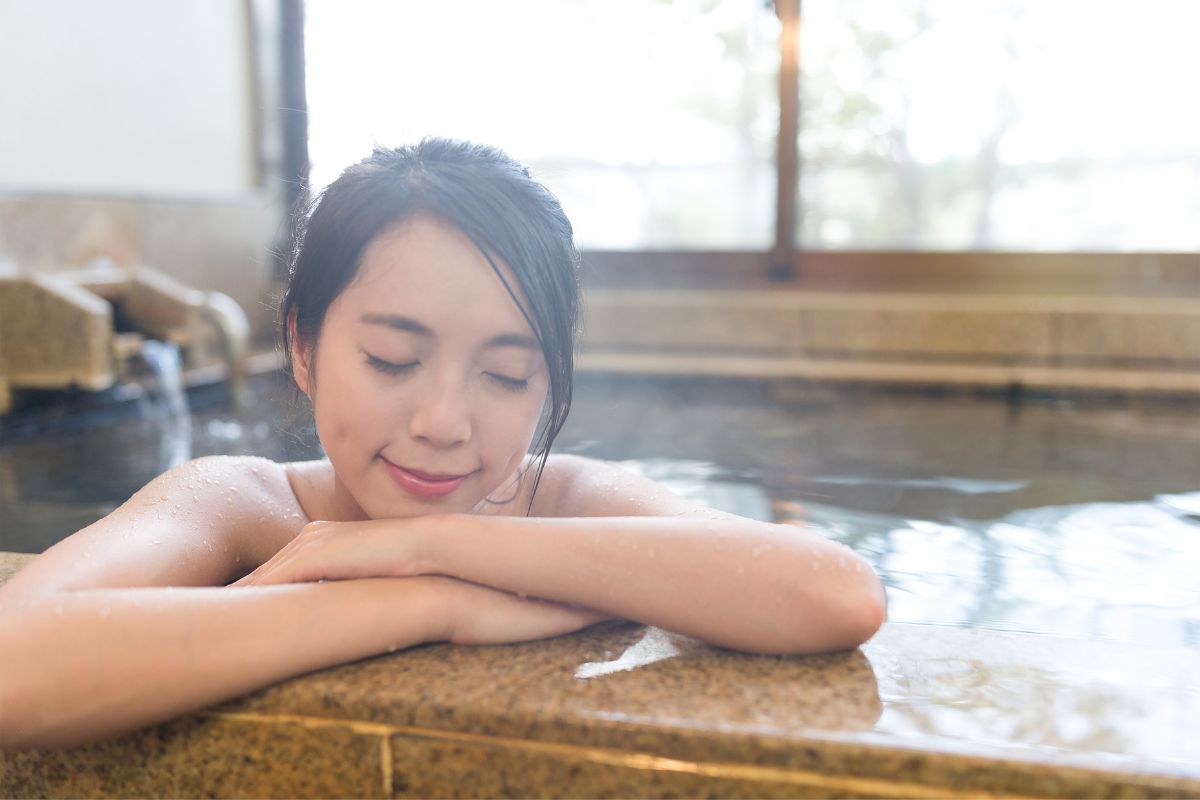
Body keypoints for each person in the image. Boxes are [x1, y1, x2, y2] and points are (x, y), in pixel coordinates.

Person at [0, 138, 885, 750]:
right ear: (302, 346)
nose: (444, 422)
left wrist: (429, 542)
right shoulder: (240, 503)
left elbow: (832, 592)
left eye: (506, 376)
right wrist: (427, 604)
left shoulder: (563, 500)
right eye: (393, 359)